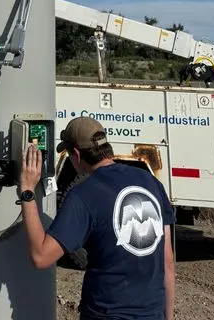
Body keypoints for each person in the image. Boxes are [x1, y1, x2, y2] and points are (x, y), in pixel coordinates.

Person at [18, 116, 175, 320]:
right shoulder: (151, 182)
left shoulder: (83, 195)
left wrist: (28, 190)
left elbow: (40, 256)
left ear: (76, 154)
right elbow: (167, 262)